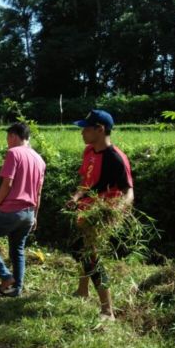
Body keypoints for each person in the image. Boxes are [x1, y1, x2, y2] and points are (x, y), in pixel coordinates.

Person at [69, 109, 134, 321]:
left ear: (100, 129)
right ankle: (82, 290)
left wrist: (117, 210)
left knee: (91, 257)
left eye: (86, 129)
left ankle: (108, 310)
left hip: (101, 214)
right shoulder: (89, 151)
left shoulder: (116, 158)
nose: (82, 133)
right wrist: (76, 197)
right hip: (86, 210)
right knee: (84, 251)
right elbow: (85, 183)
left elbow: (128, 191)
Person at [0, 123, 46, 297]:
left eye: (8, 137)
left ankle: (6, 277)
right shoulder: (39, 159)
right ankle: (17, 289)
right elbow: (38, 192)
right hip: (29, 212)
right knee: (18, 249)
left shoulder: (13, 153)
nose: (7, 141)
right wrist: (35, 216)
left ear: (14, 136)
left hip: (11, 211)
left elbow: (7, 183)